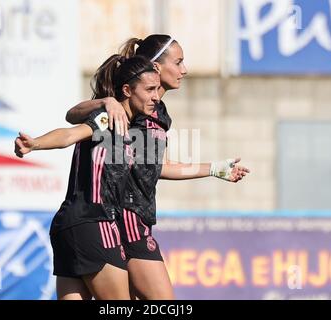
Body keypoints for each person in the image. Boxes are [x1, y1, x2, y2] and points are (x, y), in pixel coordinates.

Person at [64, 35, 250, 299]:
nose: (184, 70)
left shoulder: (156, 110)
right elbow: (73, 116)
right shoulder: (129, 106)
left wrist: (214, 168)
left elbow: (152, 166)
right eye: (179, 62)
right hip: (123, 218)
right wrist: (106, 102)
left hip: (132, 218)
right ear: (157, 67)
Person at [15, 55, 162, 300]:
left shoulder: (133, 125)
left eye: (157, 89)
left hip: (67, 225)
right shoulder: (109, 117)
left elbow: (159, 167)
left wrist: (213, 169)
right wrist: (36, 144)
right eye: (150, 89)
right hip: (95, 223)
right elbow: (70, 134)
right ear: (127, 90)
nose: (156, 96)